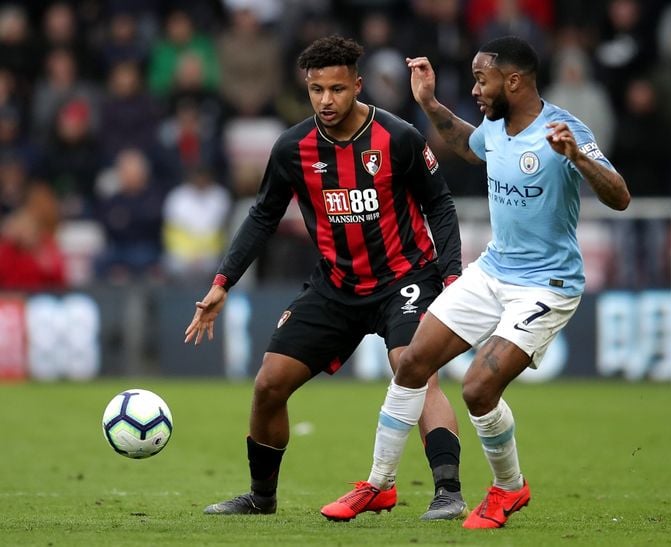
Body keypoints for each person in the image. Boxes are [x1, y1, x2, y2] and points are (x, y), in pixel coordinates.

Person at [322, 36, 630, 528]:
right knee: (413, 362)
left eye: (482, 79)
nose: (476, 89)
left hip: (545, 285)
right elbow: (468, 145)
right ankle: (377, 485)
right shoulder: (495, 127)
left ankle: (509, 488)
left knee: (478, 388)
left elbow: (620, 197)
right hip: (492, 271)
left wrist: (578, 159)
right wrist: (428, 102)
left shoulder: (565, 131)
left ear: (514, 81)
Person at [184, 35, 467, 521]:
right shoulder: (294, 148)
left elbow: (439, 203)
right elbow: (262, 217)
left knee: (414, 370)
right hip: (336, 285)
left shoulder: (397, 138)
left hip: (406, 278)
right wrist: (222, 283)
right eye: (316, 90)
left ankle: (448, 491)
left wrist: (453, 273)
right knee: (269, 385)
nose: (326, 101)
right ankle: (261, 497)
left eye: (337, 89)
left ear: (357, 85)